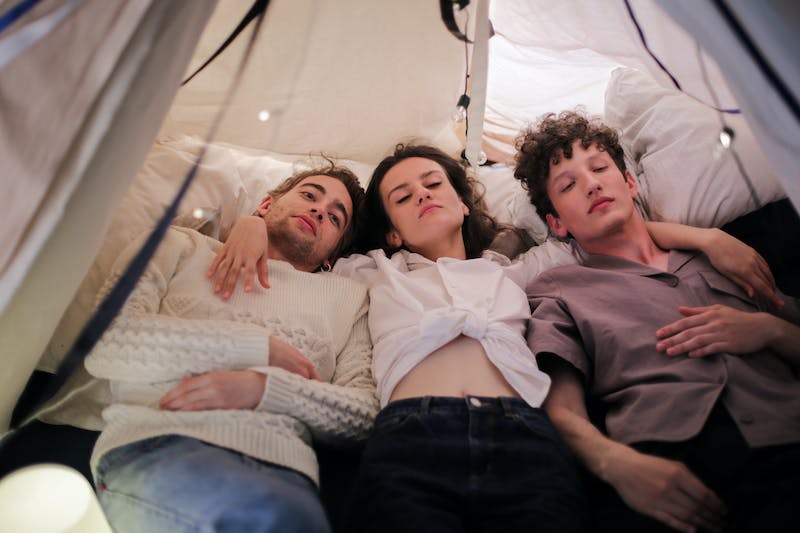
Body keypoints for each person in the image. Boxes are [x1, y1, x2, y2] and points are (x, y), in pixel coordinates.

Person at [211, 143, 774, 532]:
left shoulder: (515, 273)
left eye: (433, 184)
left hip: (525, 437)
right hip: (412, 435)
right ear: (392, 232)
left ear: (462, 202)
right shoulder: (371, 272)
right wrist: (252, 222)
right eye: (403, 197)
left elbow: (597, 231)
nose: (422, 195)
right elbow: (306, 245)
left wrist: (708, 239)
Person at [514, 111, 800, 533]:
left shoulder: (724, 256)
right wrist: (616, 464)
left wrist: (769, 331)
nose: (591, 184)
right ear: (557, 224)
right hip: (669, 472)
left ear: (629, 183)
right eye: (568, 185)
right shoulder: (557, 290)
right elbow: (561, 410)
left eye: (599, 168)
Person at [83, 163, 378, 533]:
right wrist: (256, 348)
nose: (320, 210)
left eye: (335, 217)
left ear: (331, 255)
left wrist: (264, 388)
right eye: (309, 195)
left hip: (287, 476)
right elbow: (108, 338)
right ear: (266, 204)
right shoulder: (178, 245)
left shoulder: (350, 299)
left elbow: (365, 417)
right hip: (160, 444)